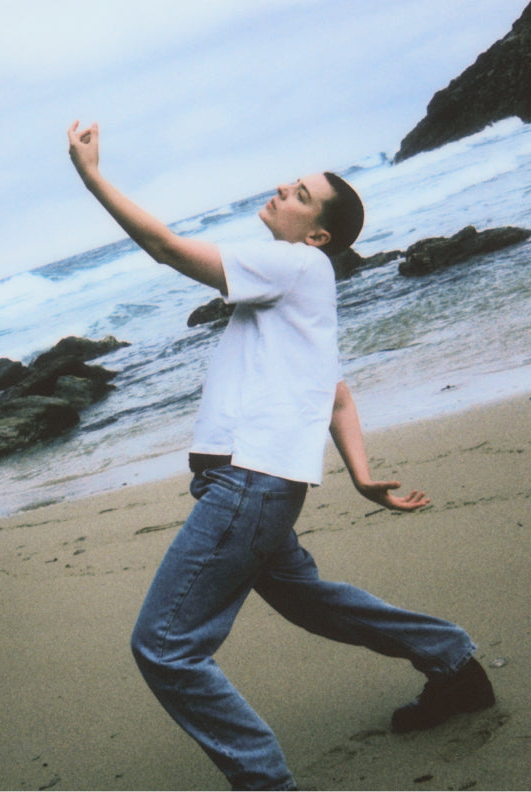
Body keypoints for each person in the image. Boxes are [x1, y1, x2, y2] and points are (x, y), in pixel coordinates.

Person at [67, 121, 495, 791]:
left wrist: (93, 177)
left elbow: (165, 247)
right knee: (310, 602)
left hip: (246, 487)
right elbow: (338, 395)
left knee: (166, 648)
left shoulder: (295, 265)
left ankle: (266, 783)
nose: (281, 190)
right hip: (260, 490)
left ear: (318, 233)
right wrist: (360, 476)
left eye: (299, 194)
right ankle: (452, 662)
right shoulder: (307, 289)